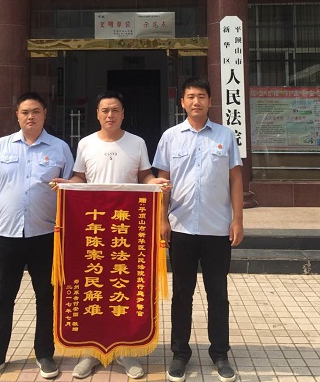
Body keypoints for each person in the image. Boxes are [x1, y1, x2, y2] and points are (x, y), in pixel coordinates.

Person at [51, 90, 170, 380]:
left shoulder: (137, 143)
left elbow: (144, 177)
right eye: (105, 110)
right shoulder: (86, 144)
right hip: (92, 231)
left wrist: (155, 182)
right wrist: (66, 184)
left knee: (123, 289)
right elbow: (80, 179)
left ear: (123, 114)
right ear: (97, 114)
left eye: (115, 110)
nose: (110, 115)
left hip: (124, 231)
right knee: (94, 288)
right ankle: (91, 353)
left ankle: (126, 351)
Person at [0, 92, 74, 382]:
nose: (31, 116)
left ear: (45, 114)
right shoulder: (1, 146)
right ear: (16, 115)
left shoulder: (60, 148)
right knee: (2, 297)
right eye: (25, 112)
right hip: (7, 235)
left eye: (36, 111)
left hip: (45, 235)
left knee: (46, 296)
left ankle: (45, 353)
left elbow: (74, 187)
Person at [152, 77, 244, 382]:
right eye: (190, 96)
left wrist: (238, 219)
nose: (196, 101)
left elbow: (235, 178)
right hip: (181, 228)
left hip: (217, 228)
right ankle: (180, 353)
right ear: (182, 102)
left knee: (218, 293)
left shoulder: (225, 135)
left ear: (209, 101)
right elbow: (163, 181)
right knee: (182, 294)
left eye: (201, 96)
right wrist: (162, 219)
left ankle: (220, 353)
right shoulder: (170, 137)